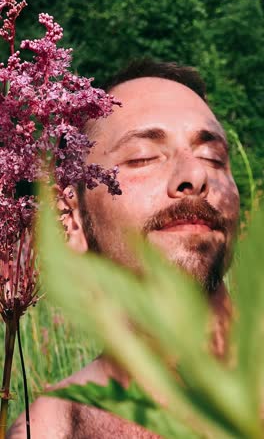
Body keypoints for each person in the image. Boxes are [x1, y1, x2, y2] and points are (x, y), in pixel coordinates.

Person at [8, 59, 240, 438]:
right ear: (71, 219)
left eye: (213, 158)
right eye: (143, 157)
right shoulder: (52, 428)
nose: (195, 175)